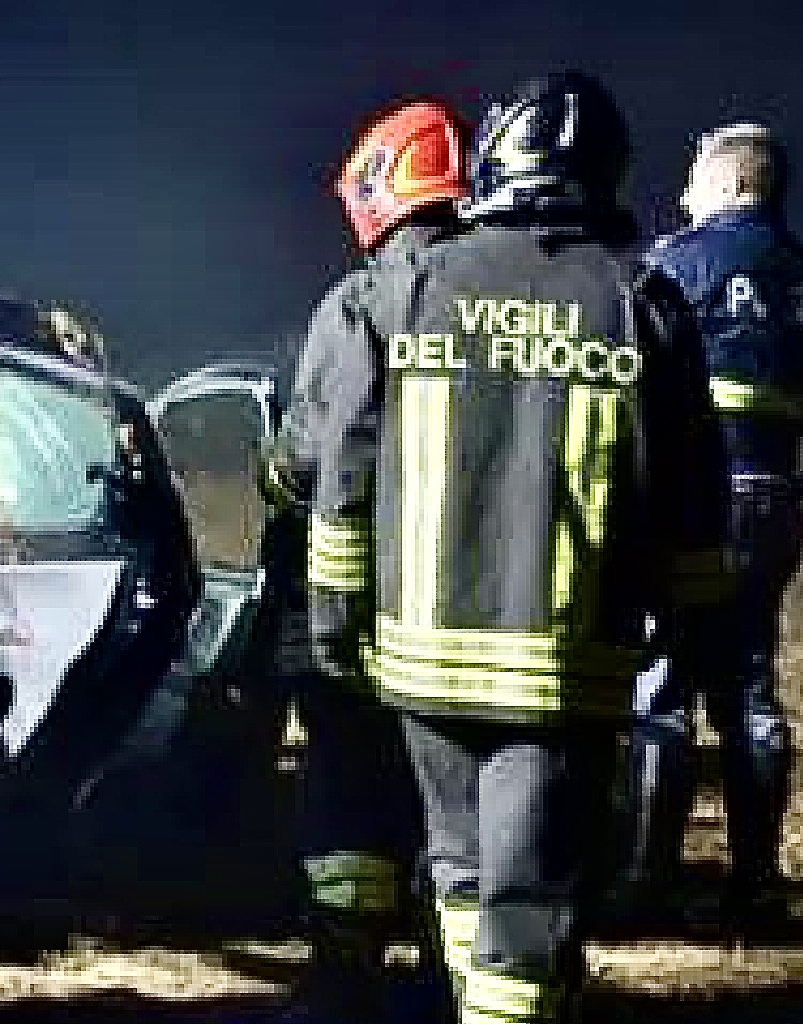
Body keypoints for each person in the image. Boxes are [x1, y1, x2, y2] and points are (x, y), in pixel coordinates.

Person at [307, 71, 731, 1024]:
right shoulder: (642, 303)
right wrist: (702, 641)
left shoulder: (406, 289)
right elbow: (692, 505)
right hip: (563, 672)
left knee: (460, 873)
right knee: (530, 902)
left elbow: (344, 477)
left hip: (419, 663)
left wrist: (338, 625)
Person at [270, 96, 469, 1022]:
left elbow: (314, 458)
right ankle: (445, 975)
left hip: (366, 601)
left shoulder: (362, 302)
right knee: (452, 800)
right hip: (475, 608)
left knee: (349, 784)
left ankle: (345, 973)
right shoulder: (495, 297)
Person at [623, 122, 800, 929]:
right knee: (753, 689)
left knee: (661, 688)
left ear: (731, 186)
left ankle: (647, 879)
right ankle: (758, 882)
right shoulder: (798, 274)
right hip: (775, 500)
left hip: (694, 502)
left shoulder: (673, 264)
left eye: (695, 179)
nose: (683, 195)